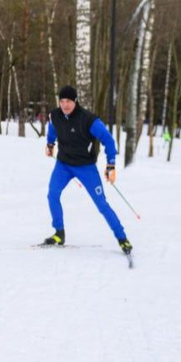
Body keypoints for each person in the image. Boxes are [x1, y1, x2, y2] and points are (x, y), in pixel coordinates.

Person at [43, 85, 132, 256]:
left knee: (101, 204)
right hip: (63, 165)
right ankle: (59, 233)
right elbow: (53, 129)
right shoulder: (55, 116)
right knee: (52, 194)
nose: (65, 105)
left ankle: (122, 238)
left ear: (75, 101)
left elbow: (108, 140)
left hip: (86, 167)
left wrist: (111, 165)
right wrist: (50, 143)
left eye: (68, 101)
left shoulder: (89, 120)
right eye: (62, 101)